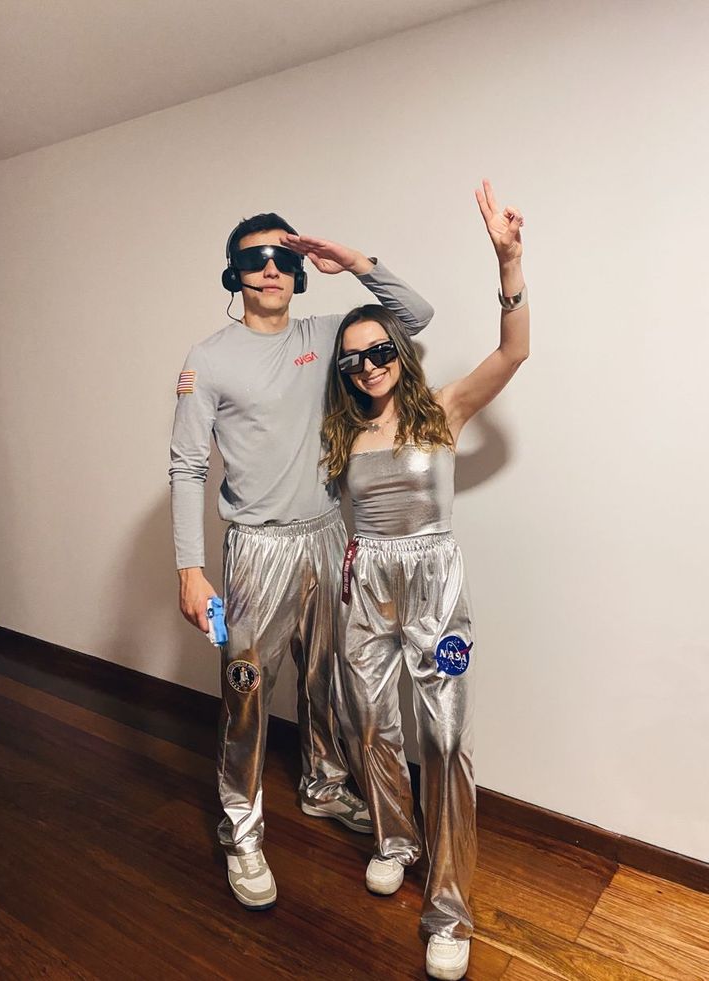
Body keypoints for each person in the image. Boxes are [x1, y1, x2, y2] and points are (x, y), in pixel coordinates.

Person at [168, 211, 434, 910]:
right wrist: (190, 567)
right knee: (248, 691)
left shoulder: (328, 336)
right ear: (234, 273)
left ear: (299, 271)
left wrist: (351, 259)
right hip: (255, 549)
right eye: (254, 259)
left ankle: (322, 784)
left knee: (330, 679)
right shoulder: (210, 357)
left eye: (283, 259)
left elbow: (415, 315)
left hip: (326, 533)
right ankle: (241, 827)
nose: (269, 270)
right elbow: (188, 464)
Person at [322, 181, 528, 980]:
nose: (369, 364)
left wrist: (509, 262)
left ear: (398, 354)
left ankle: (448, 908)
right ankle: (396, 838)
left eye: (380, 350)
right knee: (371, 722)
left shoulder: (442, 408)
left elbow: (513, 351)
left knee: (443, 738)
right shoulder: (340, 428)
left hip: (436, 583)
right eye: (354, 358)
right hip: (364, 584)